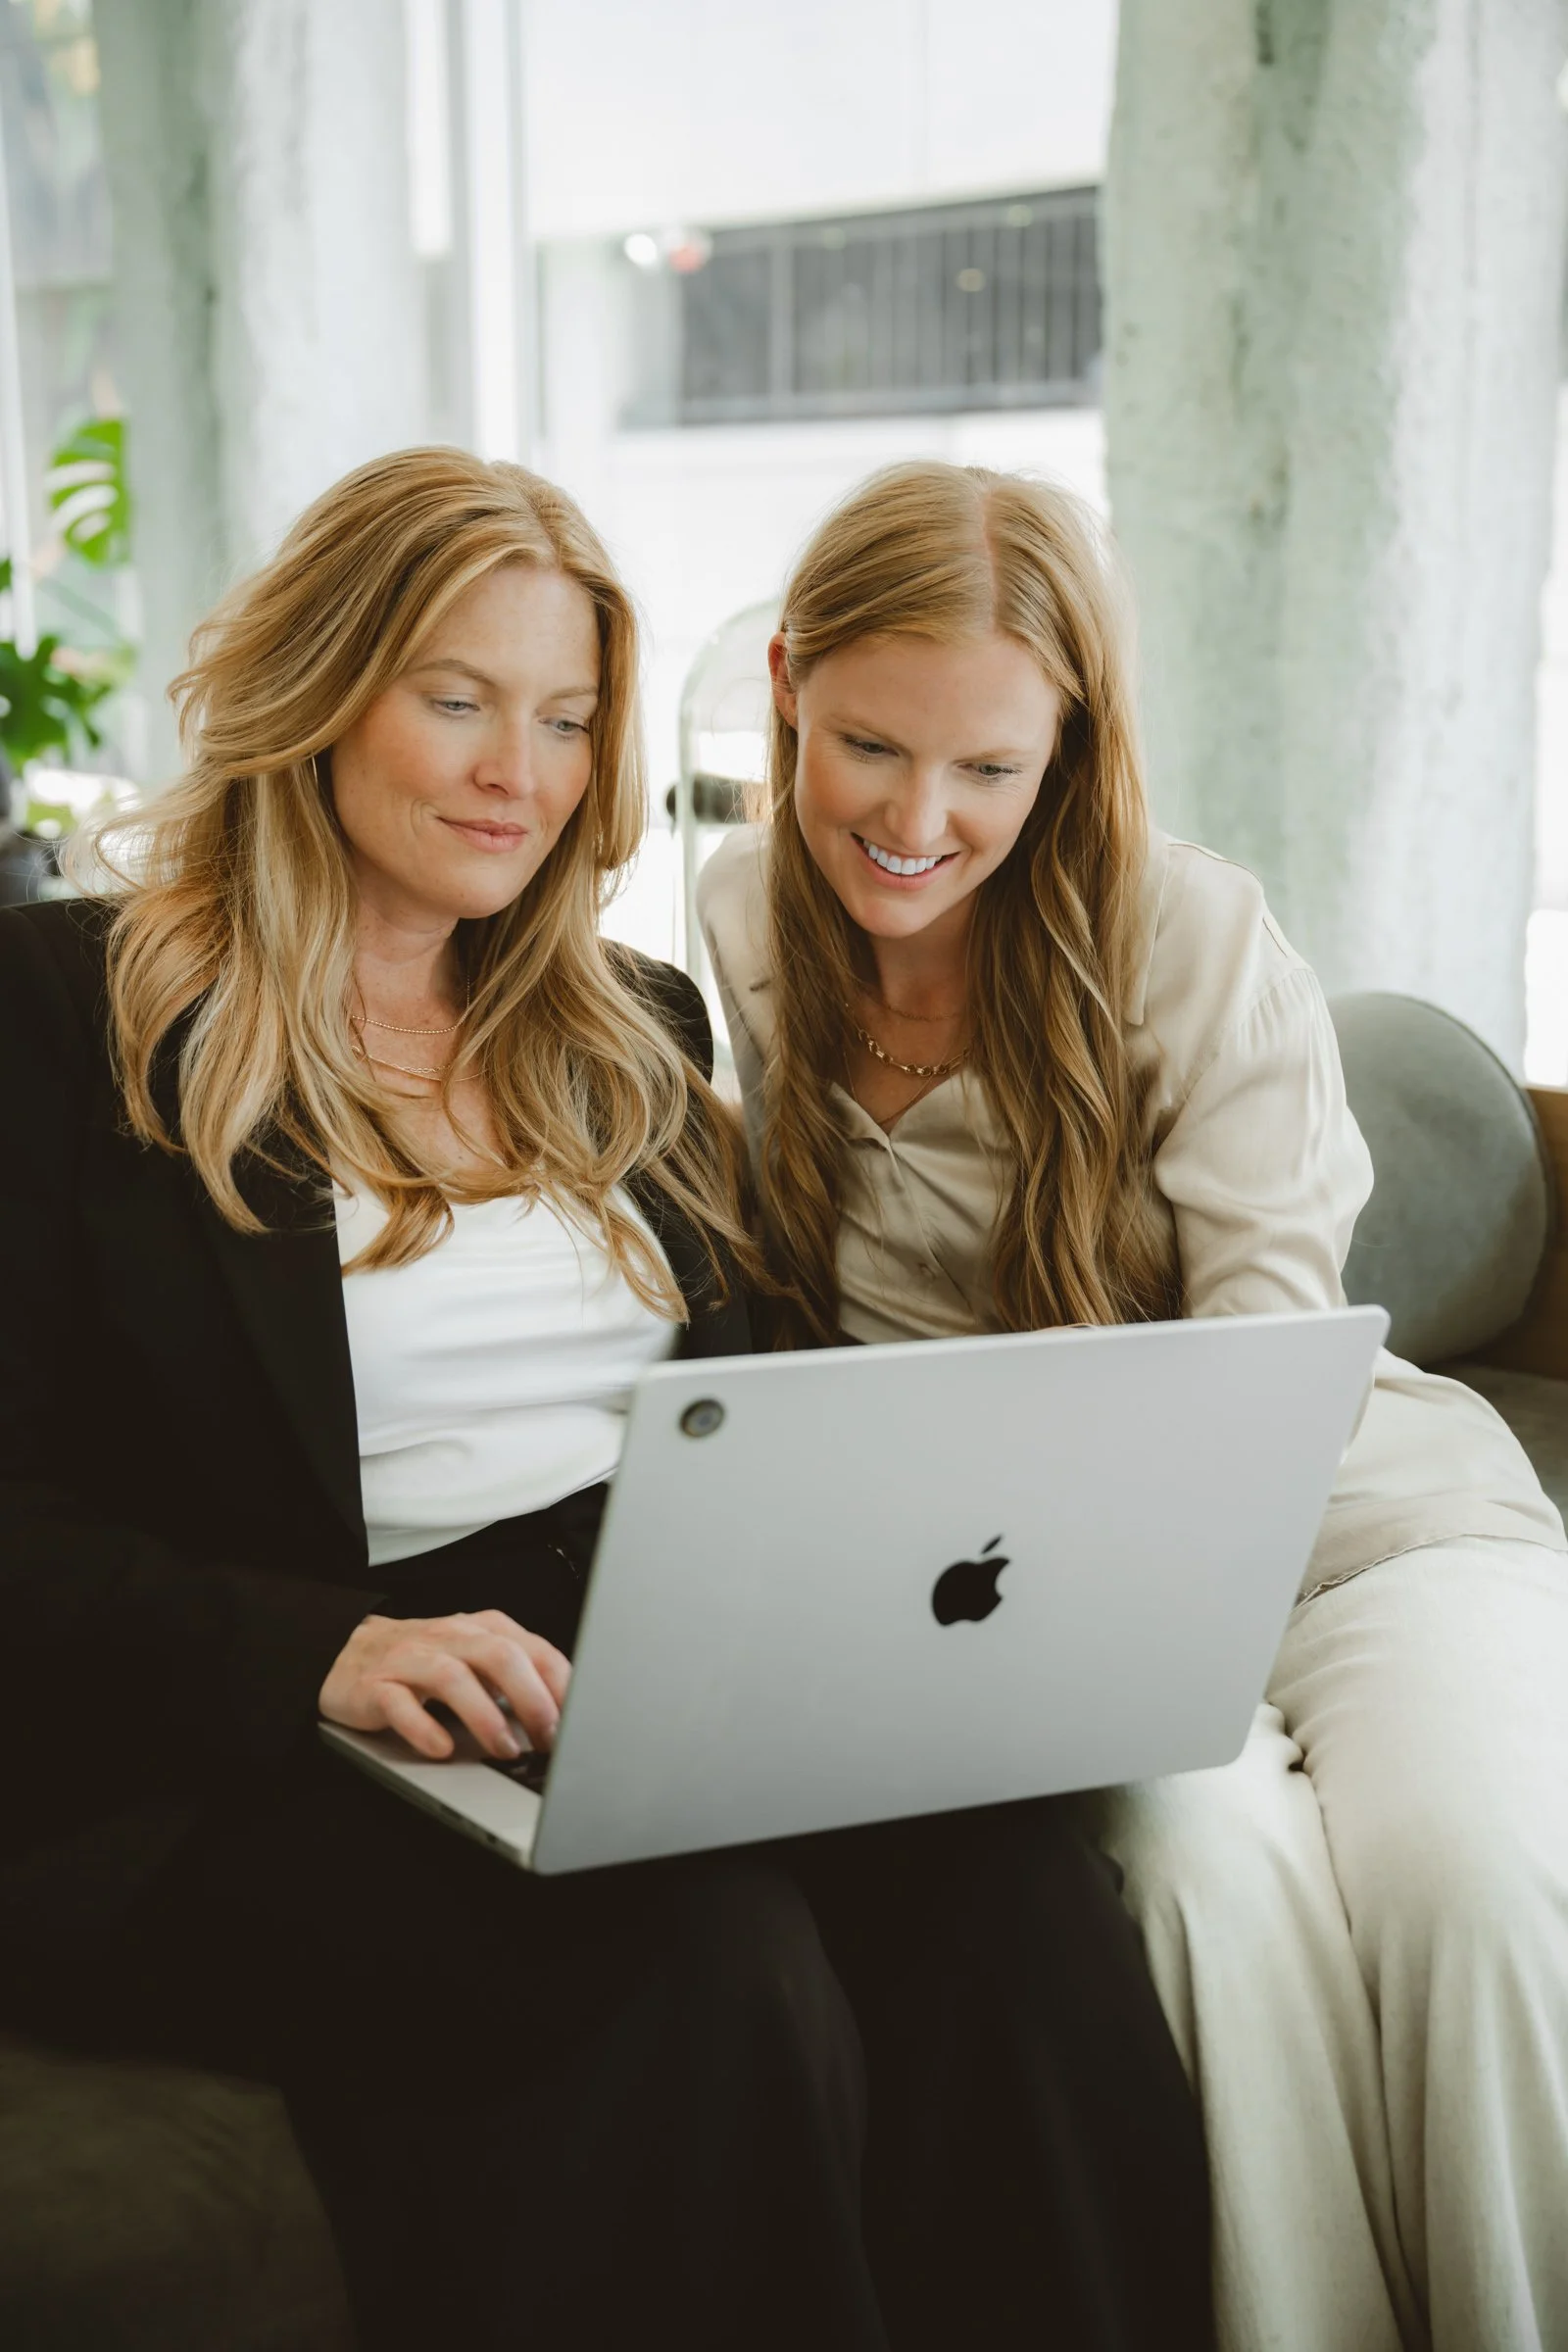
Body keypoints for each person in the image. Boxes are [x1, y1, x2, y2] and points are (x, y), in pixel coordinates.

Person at [0, 447, 1214, 2352]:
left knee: (1011, 1902)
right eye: (457, 699)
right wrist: (320, 1648)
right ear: (323, 687)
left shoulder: (620, 1020)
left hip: (655, 1670)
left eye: (566, 717)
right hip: (306, 1725)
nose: (519, 769)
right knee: (705, 1963)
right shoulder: (67, 1009)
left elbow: (751, 1406)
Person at [698, 459, 1568, 2352]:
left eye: (988, 772)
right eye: (867, 746)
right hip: (1051, 1597)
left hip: (1354, 1530)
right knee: (1200, 1883)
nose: (917, 820)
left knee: (1472, 1886)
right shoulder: (740, 926)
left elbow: (1271, 1387)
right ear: (786, 683)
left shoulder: (1188, 934)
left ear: (1068, 752)